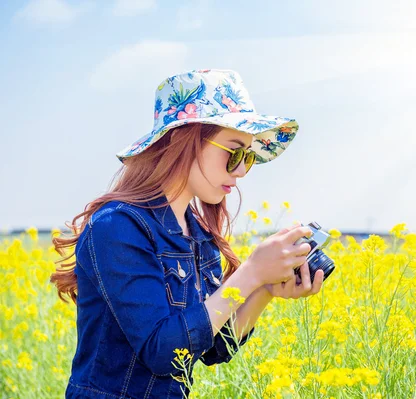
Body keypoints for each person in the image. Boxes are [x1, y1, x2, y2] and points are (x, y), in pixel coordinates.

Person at [50, 69, 325, 398]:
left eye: (248, 157)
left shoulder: (198, 233)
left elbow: (212, 348)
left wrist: (266, 288)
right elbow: (163, 352)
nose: (241, 171)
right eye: (234, 153)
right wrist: (251, 273)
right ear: (186, 141)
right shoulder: (118, 226)